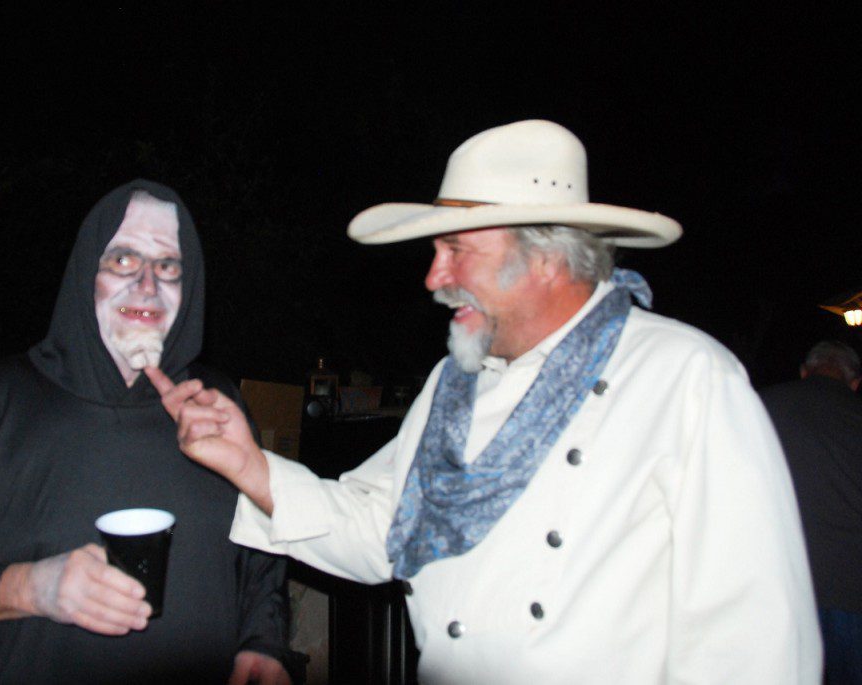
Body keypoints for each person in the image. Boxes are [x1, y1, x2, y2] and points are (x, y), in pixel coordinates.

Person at [148, 120, 822, 683]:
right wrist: (250, 465)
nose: (433, 277)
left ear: (545, 257)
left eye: (455, 249)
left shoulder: (684, 376)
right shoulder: (454, 383)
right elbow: (384, 529)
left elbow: (753, 636)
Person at [0, 180, 297, 684]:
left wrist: (263, 642)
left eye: (168, 266)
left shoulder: (214, 405)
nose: (147, 285)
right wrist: (30, 588)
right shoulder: (3, 400)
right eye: (123, 260)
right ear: (85, 272)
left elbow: (261, 552)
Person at [761, 340, 862, 684]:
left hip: (778, 581)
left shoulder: (764, 404)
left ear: (805, 372)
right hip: (850, 588)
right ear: (854, 382)